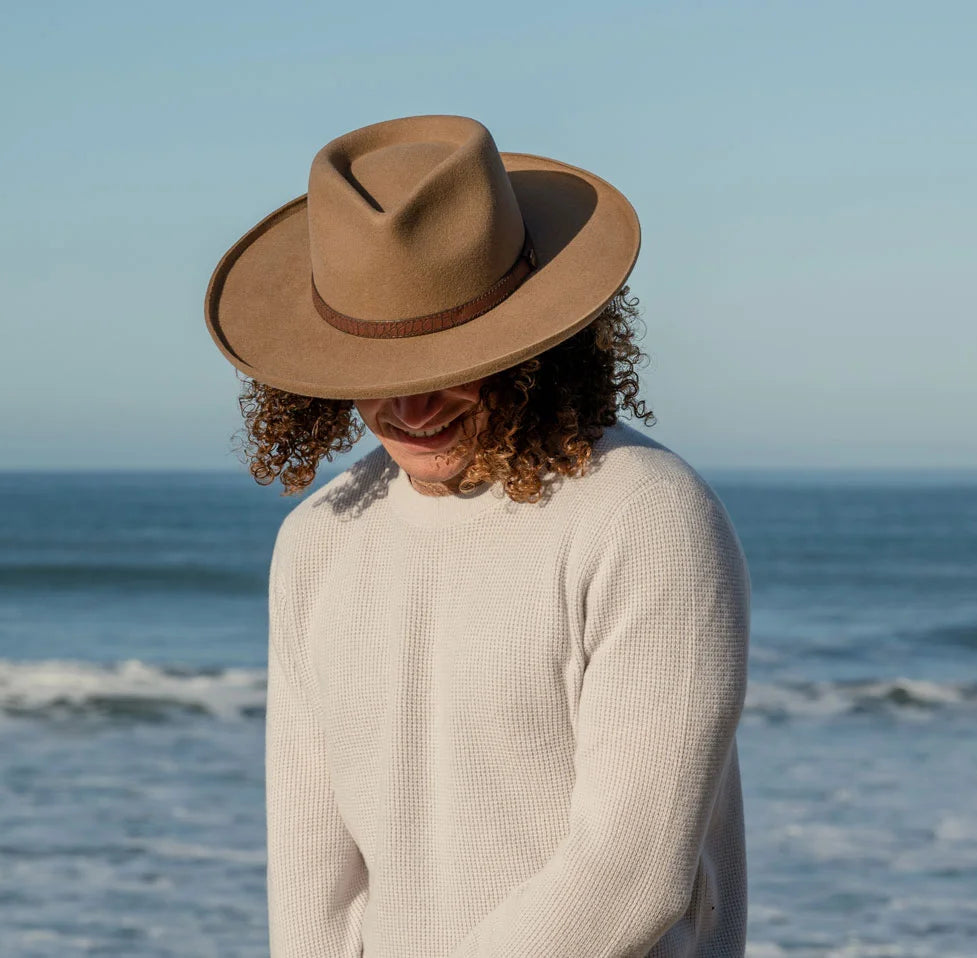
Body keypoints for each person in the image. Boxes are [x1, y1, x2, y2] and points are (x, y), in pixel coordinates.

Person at [204, 114, 751, 957]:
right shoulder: (320, 538)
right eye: (378, 373)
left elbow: (629, 875)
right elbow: (312, 885)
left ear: (539, 342)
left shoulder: (643, 514)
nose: (411, 409)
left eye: (449, 365)